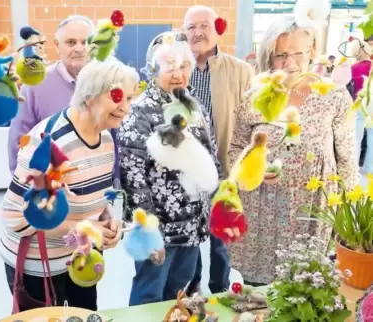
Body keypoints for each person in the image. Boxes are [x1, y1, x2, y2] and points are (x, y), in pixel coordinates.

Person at [0, 58, 139, 310]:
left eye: (130, 98)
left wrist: (109, 218)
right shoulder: (50, 144)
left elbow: (96, 193)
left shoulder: (105, 137)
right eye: (117, 96)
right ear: (89, 96)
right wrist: (86, 228)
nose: (126, 108)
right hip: (40, 270)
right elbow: (14, 218)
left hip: (81, 259)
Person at [228, 16, 357, 285]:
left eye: (298, 52)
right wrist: (252, 171)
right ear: (269, 56)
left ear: (312, 51)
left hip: (310, 211)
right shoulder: (255, 95)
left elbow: (346, 158)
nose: (290, 62)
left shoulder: (334, 95)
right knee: (259, 292)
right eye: (281, 55)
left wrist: (346, 216)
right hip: (262, 212)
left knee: (305, 286)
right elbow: (236, 149)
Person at [118, 31, 221, 306]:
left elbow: (210, 155)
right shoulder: (139, 111)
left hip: (192, 226)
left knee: (176, 294)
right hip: (160, 229)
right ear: (153, 70)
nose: (178, 74)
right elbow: (133, 178)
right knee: (148, 296)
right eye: (169, 66)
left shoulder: (193, 105)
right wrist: (149, 233)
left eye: (183, 66)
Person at [183, 5, 254, 295]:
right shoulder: (177, 68)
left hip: (224, 168)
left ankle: (220, 287)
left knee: (220, 238)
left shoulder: (241, 71)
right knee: (188, 236)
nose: (197, 32)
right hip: (185, 171)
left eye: (204, 26)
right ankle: (191, 285)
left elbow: (254, 120)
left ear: (218, 29)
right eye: (191, 27)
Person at [8, 15, 94, 173]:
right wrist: (25, 182)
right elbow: (18, 138)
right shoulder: (35, 86)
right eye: (70, 42)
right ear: (57, 45)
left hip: (97, 184)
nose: (79, 48)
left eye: (85, 42)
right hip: (51, 187)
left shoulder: (103, 83)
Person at [351, 38, 373, 173]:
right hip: (371, 104)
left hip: (357, 104)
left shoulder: (352, 68)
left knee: (355, 137)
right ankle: (369, 169)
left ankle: (352, 168)